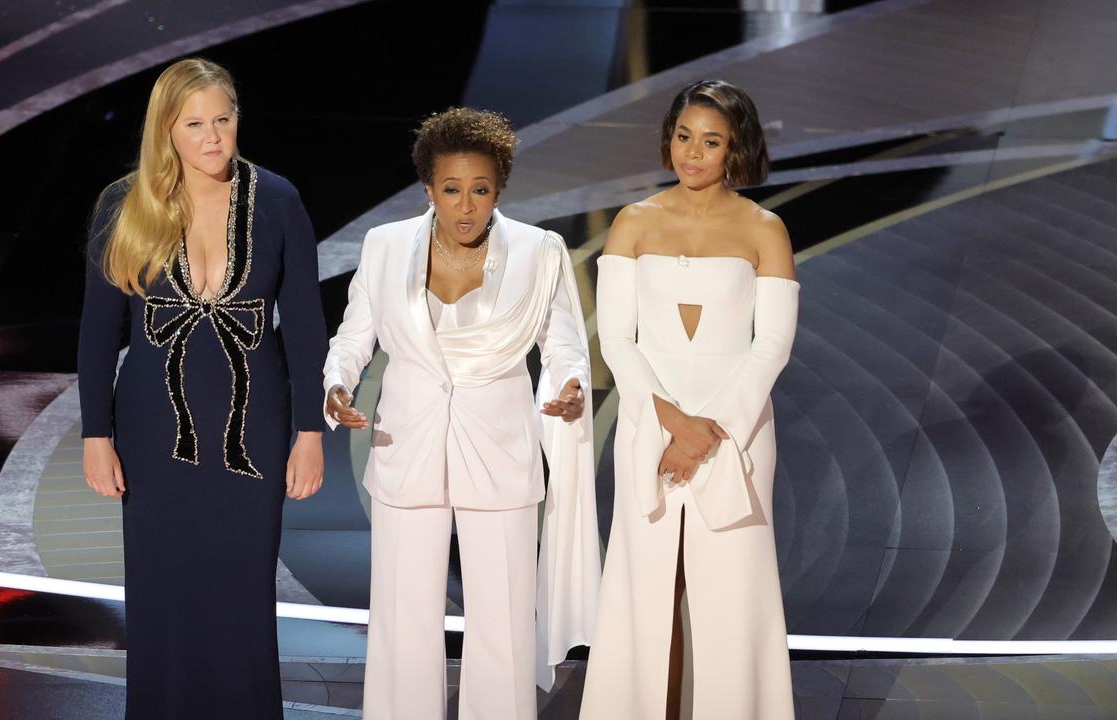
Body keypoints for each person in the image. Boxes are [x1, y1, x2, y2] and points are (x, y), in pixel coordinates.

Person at [323, 107, 600, 720]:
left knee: (502, 620)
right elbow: (352, 338)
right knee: (402, 619)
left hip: (499, 448)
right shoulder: (385, 245)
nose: (466, 205)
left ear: (499, 188)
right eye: (452, 190)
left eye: (480, 190)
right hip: (405, 443)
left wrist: (572, 385)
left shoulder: (540, 251)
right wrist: (337, 385)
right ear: (429, 188)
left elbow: (564, 346)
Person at [77, 57, 326, 719]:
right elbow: (99, 332)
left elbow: (304, 324)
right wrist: (95, 435)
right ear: (168, 131)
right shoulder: (122, 205)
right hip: (153, 430)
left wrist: (309, 432)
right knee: (163, 587)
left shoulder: (277, 199)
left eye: (224, 119)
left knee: (240, 587)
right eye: (196, 124)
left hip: (256, 426)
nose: (214, 136)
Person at [579, 80, 798, 720]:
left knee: (732, 587)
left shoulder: (765, 228)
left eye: (710, 141)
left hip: (739, 430)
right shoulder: (634, 222)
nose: (691, 153)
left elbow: (773, 346)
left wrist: (710, 430)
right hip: (651, 422)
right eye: (683, 137)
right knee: (645, 580)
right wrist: (672, 422)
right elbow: (618, 339)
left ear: (736, 149)